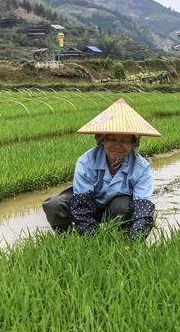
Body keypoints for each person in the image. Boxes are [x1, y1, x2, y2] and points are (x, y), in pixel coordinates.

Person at [42, 98, 161, 238]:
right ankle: (68, 239)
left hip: (116, 209)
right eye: (112, 139)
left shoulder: (142, 168)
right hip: (86, 203)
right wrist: (93, 240)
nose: (117, 145)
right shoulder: (86, 162)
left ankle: (121, 238)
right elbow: (82, 206)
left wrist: (134, 240)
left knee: (122, 206)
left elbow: (142, 209)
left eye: (125, 141)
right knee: (54, 205)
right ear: (102, 140)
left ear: (133, 144)